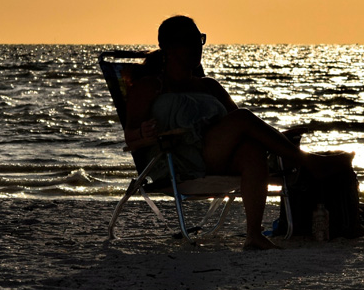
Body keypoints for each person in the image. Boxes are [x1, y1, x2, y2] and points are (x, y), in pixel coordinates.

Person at [124, 15, 334, 250]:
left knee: (252, 150)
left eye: (199, 40)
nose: (197, 47)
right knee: (243, 117)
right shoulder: (150, 86)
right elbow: (130, 138)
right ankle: (308, 162)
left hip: (214, 156)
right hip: (177, 159)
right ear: (169, 48)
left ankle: (253, 235)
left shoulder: (209, 86)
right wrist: (142, 132)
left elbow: (244, 129)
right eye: (189, 41)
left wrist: (277, 138)